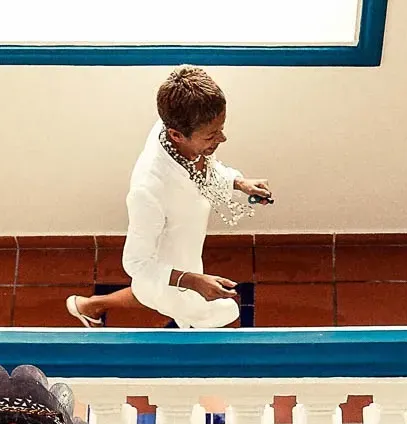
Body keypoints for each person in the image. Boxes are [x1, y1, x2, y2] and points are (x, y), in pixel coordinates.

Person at [66, 66, 272, 329]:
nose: (222, 138)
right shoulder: (148, 189)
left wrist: (239, 182)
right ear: (177, 135)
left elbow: (201, 166)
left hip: (186, 247)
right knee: (208, 311)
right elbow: (136, 263)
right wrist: (192, 280)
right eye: (212, 135)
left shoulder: (178, 130)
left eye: (221, 128)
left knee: (151, 292)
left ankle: (90, 305)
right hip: (171, 264)